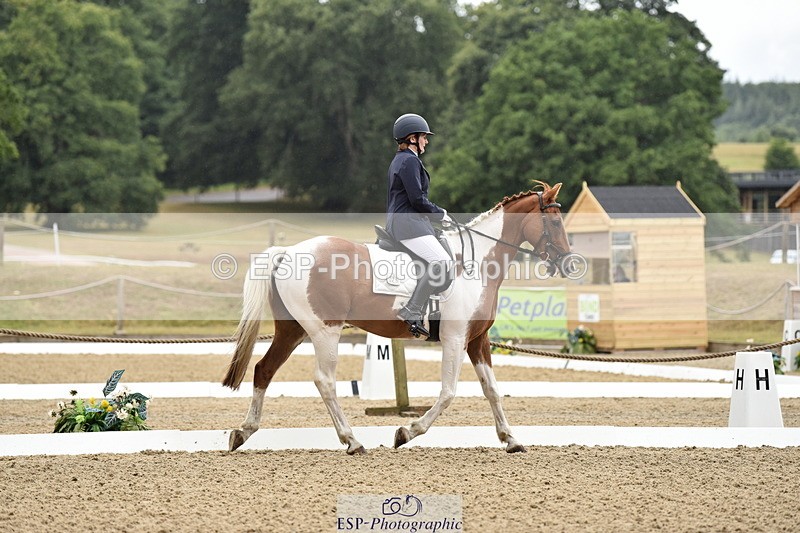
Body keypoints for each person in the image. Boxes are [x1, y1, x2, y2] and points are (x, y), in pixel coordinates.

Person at [386, 113, 453, 338]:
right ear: (412, 138)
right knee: (442, 261)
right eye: (424, 136)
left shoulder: (404, 160)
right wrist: (440, 213)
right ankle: (412, 309)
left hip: (410, 222)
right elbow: (417, 200)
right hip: (407, 224)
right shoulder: (408, 161)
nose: (427, 141)